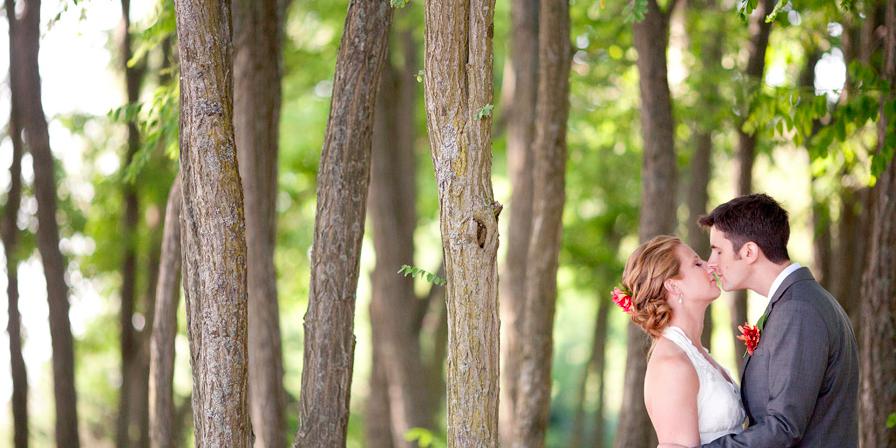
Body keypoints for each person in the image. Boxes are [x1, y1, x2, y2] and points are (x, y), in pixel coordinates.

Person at [698, 193, 859, 447]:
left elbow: (785, 427)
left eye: (718, 251)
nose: (711, 263)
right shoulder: (796, 302)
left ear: (749, 251)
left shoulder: (798, 310)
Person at [613, 235, 745, 446]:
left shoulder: (696, 352)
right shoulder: (671, 364)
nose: (709, 265)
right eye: (696, 263)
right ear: (673, 286)